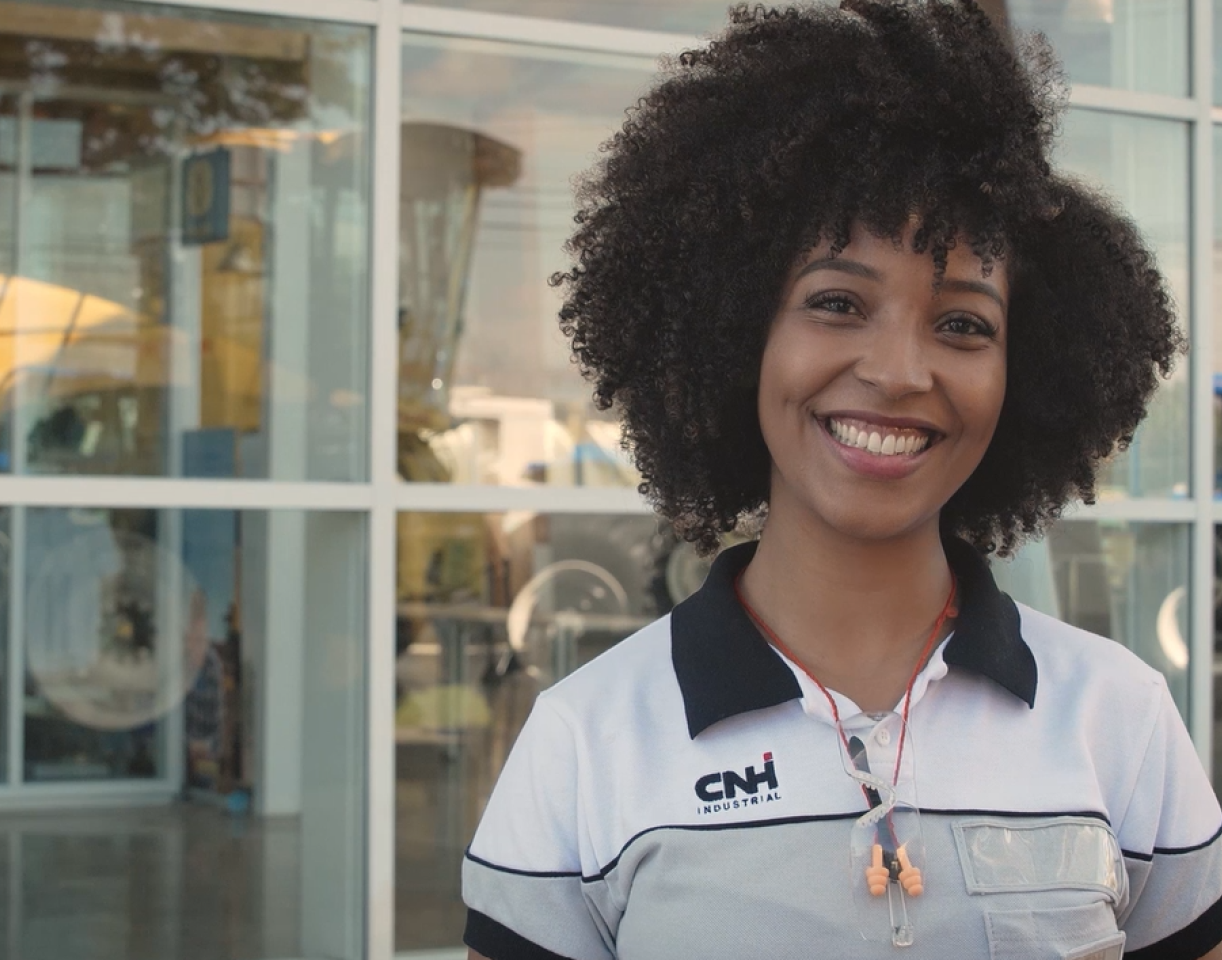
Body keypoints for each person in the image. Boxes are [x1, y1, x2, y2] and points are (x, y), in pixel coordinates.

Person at [462, 2, 1222, 958]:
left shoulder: (1121, 717)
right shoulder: (586, 740)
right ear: (737, 335)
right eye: (835, 302)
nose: (901, 370)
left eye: (963, 324)